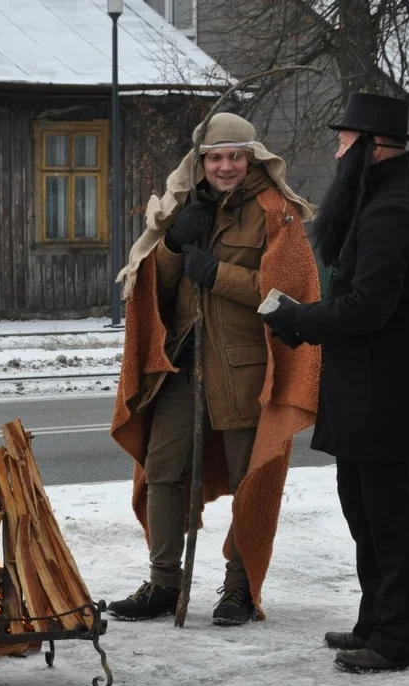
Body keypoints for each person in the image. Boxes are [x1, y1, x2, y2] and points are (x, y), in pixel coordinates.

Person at [109, 113, 321, 626]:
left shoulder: (277, 213)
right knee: (162, 470)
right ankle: (164, 582)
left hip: (247, 372)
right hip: (181, 363)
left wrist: (216, 272)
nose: (225, 167)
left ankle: (239, 588)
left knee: (252, 479)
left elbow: (287, 295)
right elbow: (149, 293)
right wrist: (174, 249)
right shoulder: (181, 206)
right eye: (215, 157)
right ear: (200, 162)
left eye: (235, 156)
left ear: (251, 158)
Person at [262, 92, 409, 672]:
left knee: (390, 518)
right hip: (360, 384)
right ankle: (375, 622)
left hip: (382, 387)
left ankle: (398, 641)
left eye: (344, 141)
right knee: (363, 510)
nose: (337, 150)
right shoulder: (380, 198)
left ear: (373, 146)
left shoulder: (394, 209)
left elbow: (367, 308)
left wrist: (295, 321)